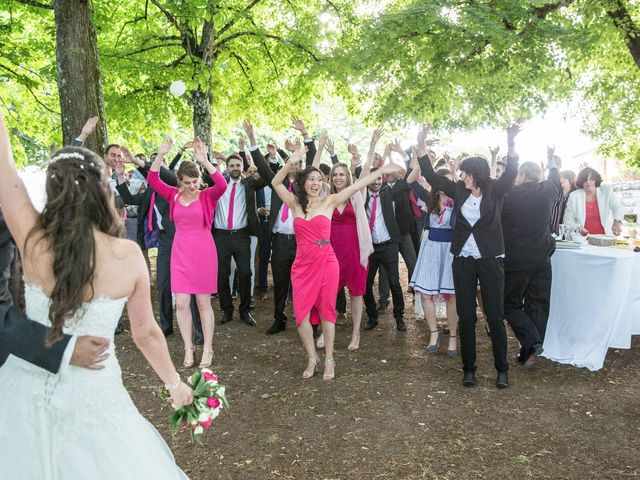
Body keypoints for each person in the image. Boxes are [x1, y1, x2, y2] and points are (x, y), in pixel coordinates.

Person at [0, 108, 193, 479]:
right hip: (95, 394)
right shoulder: (128, 256)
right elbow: (146, 333)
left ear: (50, 190)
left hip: (22, 386)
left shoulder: (32, 239)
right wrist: (174, 384)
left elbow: (4, 167)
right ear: (104, 188)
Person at [272, 141, 402, 380]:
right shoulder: (294, 204)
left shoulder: (329, 201)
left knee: (327, 312)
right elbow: (275, 182)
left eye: (319, 180)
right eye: (311, 180)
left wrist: (380, 171)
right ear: (302, 183)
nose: (315, 183)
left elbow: (359, 184)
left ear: (323, 183)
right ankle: (312, 358)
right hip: (301, 266)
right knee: (301, 316)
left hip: (326, 263)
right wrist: (292, 159)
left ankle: (329, 358)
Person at [417, 122, 520, 389]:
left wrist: (510, 142)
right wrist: (421, 144)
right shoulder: (460, 191)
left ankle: (502, 369)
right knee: (466, 315)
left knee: (495, 316)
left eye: (465, 173)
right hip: (462, 259)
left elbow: (512, 170)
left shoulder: (497, 189)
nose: (461, 176)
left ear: (475, 173)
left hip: (489, 258)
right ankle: (469, 369)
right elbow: (431, 176)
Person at [147, 138, 227, 369]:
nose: (192, 186)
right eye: (187, 182)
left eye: (195, 182)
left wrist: (205, 161)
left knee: (203, 303)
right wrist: (161, 154)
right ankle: (188, 348)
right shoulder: (173, 196)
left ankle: (208, 348)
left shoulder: (206, 196)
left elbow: (221, 185)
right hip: (180, 253)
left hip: (203, 253)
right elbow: (153, 179)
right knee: (181, 304)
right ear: (180, 182)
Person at [244, 120, 317, 336]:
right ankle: (279, 319)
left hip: (302, 243)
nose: (294, 166)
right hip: (281, 242)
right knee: (281, 281)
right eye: (291, 162)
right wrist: (252, 140)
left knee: (305, 283)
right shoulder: (277, 185)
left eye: (297, 163)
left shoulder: (307, 187)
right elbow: (263, 168)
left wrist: (305, 133)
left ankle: (310, 322)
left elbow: (313, 157)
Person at [502, 158, 560, 367]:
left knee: (509, 304)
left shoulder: (509, 195)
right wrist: (551, 159)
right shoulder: (547, 191)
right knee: (538, 303)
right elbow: (554, 179)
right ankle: (530, 348)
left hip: (517, 260)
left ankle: (532, 343)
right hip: (542, 257)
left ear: (523, 176)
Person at [407, 161, 458, 357]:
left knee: (451, 295)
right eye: (442, 180)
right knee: (426, 294)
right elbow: (410, 180)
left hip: (450, 250)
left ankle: (453, 336)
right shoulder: (429, 199)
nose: (446, 184)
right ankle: (434, 333)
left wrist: (455, 172)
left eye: (449, 180)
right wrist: (421, 159)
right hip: (431, 249)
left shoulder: (459, 201)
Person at [361, 129, 407, 333]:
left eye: (380, 179)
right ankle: (372, 316)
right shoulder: (362, 197)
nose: (377, 182)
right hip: (370, 248)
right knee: (365, 284)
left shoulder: (390, 192)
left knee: (395, 283)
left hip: (389, 246)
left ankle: (399, 317)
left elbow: (402, 172)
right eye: (374, 179)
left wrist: (387, 160)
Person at [214, 154, 265, 327]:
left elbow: (266, 176)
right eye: (232, 165)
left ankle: (245, 311)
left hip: (241, 236)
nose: (235, 168)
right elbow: (206, 171)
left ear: (242, 167)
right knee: (222, 274)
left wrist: (258, 155)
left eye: (238, 165)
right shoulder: (218, 184)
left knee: (245, 273)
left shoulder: (249, 183)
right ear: (227, 167)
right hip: (220, 235)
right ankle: (227, 311)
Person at [327, 162, 373, 351]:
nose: (338, 178)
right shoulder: (327, 197)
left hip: (353, 251)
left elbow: (365, 175)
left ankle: (356, 334)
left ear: (348, 177)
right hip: (332, 251)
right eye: (335, 175)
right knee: (329, 293)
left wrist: (370, 149)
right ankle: (326, 330)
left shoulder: (356, 196)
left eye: (342, 175)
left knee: (356, 294)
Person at [563, 167, 624, 236]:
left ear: (596, 180)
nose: (588, 182)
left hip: (605, 237)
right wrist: (578, 228)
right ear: (581, 181)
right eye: (585, 180)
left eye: (591, 179)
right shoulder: (574, 196)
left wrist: (617, 222)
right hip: (583, 239)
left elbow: (618, 207)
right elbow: (568, 220)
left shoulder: (606, 191)